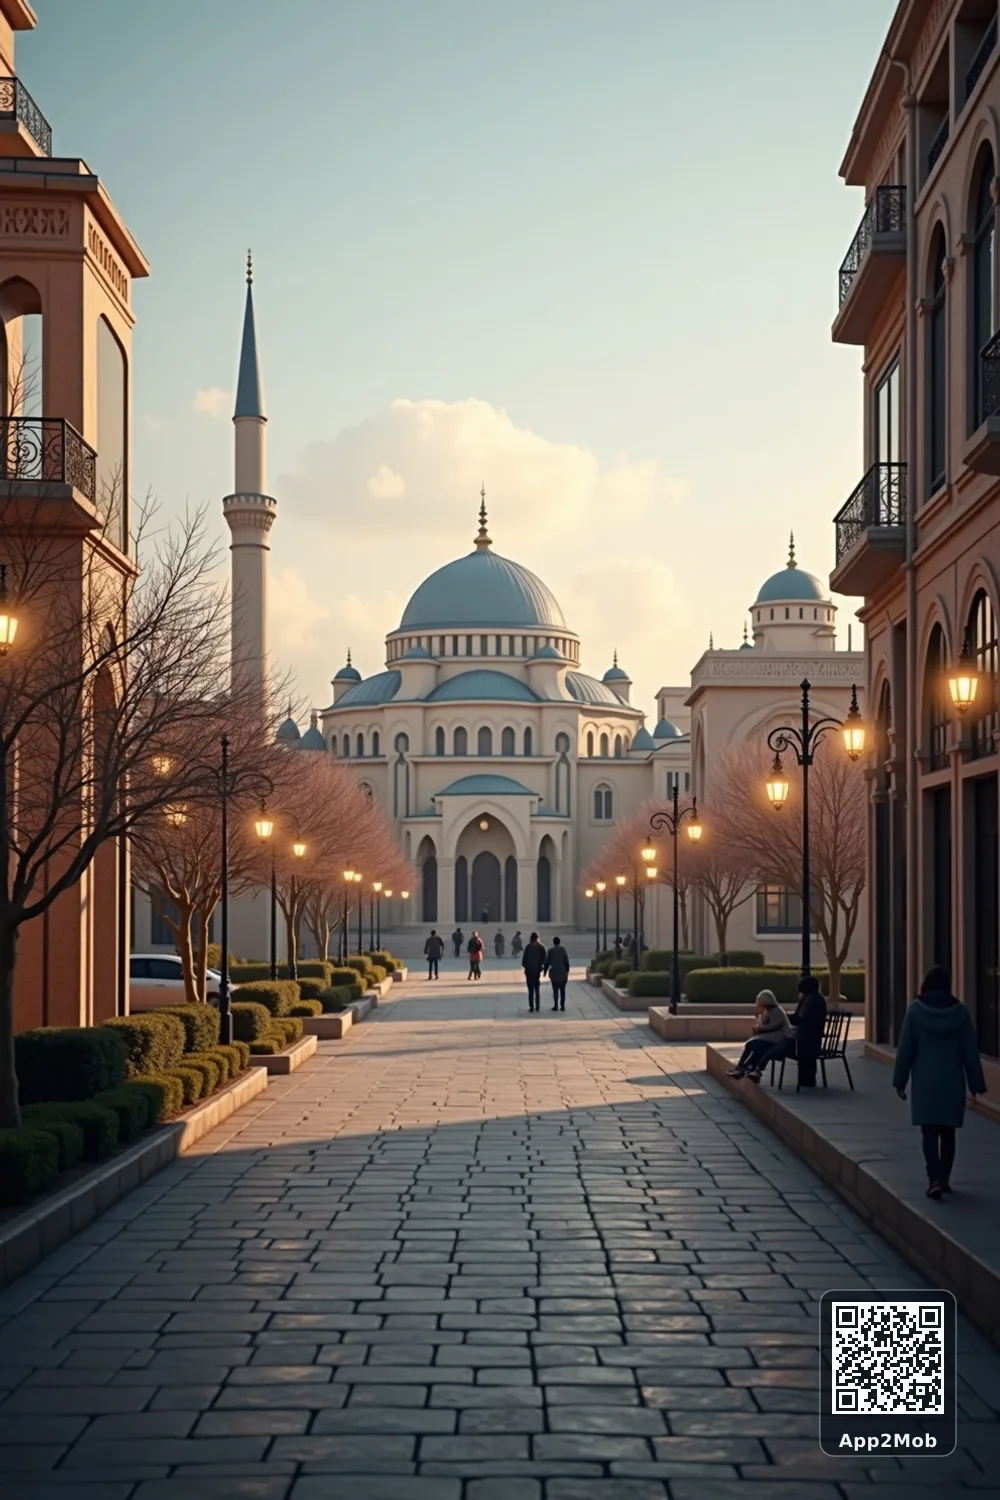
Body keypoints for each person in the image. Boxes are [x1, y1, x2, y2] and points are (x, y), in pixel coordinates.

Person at [892, 965, 987, 1200]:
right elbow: (970, 1051)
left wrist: (900, 1080)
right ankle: (944, 1178)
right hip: (952, 1080)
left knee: (929, 1132)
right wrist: (976, 1084)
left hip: (925, 1080)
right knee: (948, 1133)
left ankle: (933, 1177)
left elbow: (906, 1049)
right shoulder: (960, 1012)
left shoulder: (915, 1011)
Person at [746, 974, 827, 1087]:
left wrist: (783, 1017)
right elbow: (797, 1018)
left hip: (807, 1040)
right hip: (801, 1036)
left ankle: (757, 1068)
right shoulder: (809, 999)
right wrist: (784, 1016)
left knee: (780, 1045)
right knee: (774, 1044)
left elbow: (801, 1019)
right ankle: (757, 1069)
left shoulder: (815, 1002)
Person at [727, 991, 790, 1079]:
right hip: (771, 1038)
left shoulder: (776, 1011)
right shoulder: (768, 1010)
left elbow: (774, 1025)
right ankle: (745, 1069)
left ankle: (742, 1069)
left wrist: (760, 1028)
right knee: (754, 1046)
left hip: (777, 1040)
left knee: (754, 1045)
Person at [522, 931, 547, 1012]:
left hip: (529, 972)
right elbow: (544, 959)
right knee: (537, 990)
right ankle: (537, 1006)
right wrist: (541, 967)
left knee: (531, 990)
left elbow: (524, 960)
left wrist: (526, 967)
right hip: (536, 972)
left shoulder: (528, 947)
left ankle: (531, 1007)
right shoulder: (541, 947)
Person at [546, 935, 571, 1011]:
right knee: (562, 990)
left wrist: (544, 971)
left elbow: (547, 962)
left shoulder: (551, 950)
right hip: (563, 973)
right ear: (559, 942)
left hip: (554, 973)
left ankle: (556, 1005)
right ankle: (562, 1005)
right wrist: (567, 970)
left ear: (553, 942)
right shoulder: (563, 949)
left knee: (555, 990)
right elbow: (566, 961)